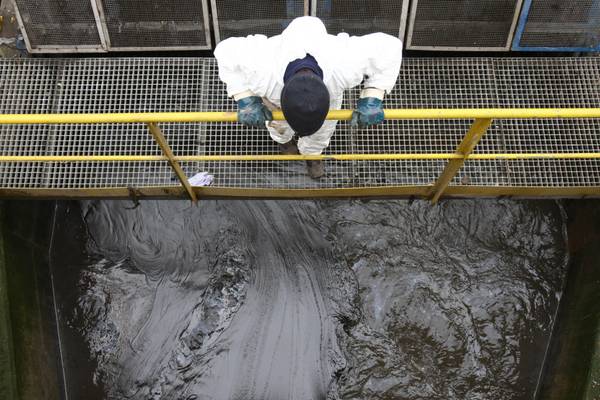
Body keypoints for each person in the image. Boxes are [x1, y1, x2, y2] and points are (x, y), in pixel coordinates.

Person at [214, 16, 403, 179]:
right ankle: (285, 142)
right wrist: (245, 98)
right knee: (277, 124)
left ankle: (312, 155)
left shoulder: (344, 63)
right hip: (274, 101)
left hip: (325, 101)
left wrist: (373, 95)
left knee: (322, 131)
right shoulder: (261, 67)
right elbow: (224, 51)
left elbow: (391, 47)